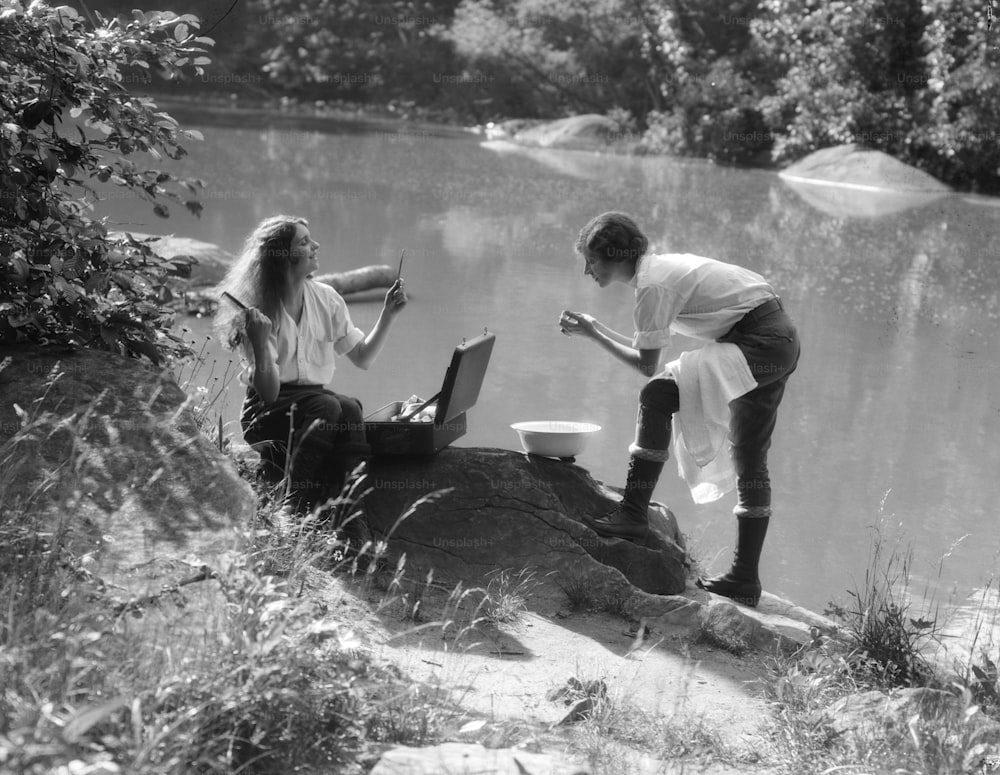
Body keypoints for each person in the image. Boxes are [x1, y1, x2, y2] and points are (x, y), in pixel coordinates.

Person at [559, 212, 800, 607]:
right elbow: (648, 353)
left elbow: (645, 366)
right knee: (749, 454)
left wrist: (593, 332)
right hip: (779, 341)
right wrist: (594, 329)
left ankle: (633, 516)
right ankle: (745, 578)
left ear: (615, 256)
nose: (587, 270)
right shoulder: (661, 273)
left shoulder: (654, 286)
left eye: (591, 260)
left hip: (759, 341)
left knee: (656, 395)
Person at [216, 214, 407, 514]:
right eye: (304, 242)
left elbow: (362, 357)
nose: (316, 245)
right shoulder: (257, 311)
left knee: (350, 408)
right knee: (329, 407)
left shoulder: (327, 298)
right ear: (282, 257)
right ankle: (292, 507)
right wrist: (260, 343)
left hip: (311, 405)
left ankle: (350, 511)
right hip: (267, 410)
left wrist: (388, 315)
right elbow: (267, 393)